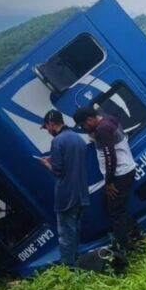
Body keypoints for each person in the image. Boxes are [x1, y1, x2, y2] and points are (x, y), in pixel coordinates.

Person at [72, 106, 140, 253]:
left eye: (83, 125)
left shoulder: (102, 130)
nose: (83, 129)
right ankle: (135, 233)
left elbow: (110, 158)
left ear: (89, 120)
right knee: (110, 205)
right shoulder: (108, 119)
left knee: (116, 211)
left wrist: (109, 182)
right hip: (125, 169)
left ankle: (123, 247)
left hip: (120, 173)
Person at [37, 109, 89, 266]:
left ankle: (67, 269)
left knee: (66, 235)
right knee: (76, 232)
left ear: (51, 124)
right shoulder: (78, 138)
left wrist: (46, 164)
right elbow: (72, 161)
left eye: (47, 128)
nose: (48, 131)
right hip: (81, 193)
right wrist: (54, 158)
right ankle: (77, 265)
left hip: (67, 195)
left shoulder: (57, 141)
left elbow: (58, 171)